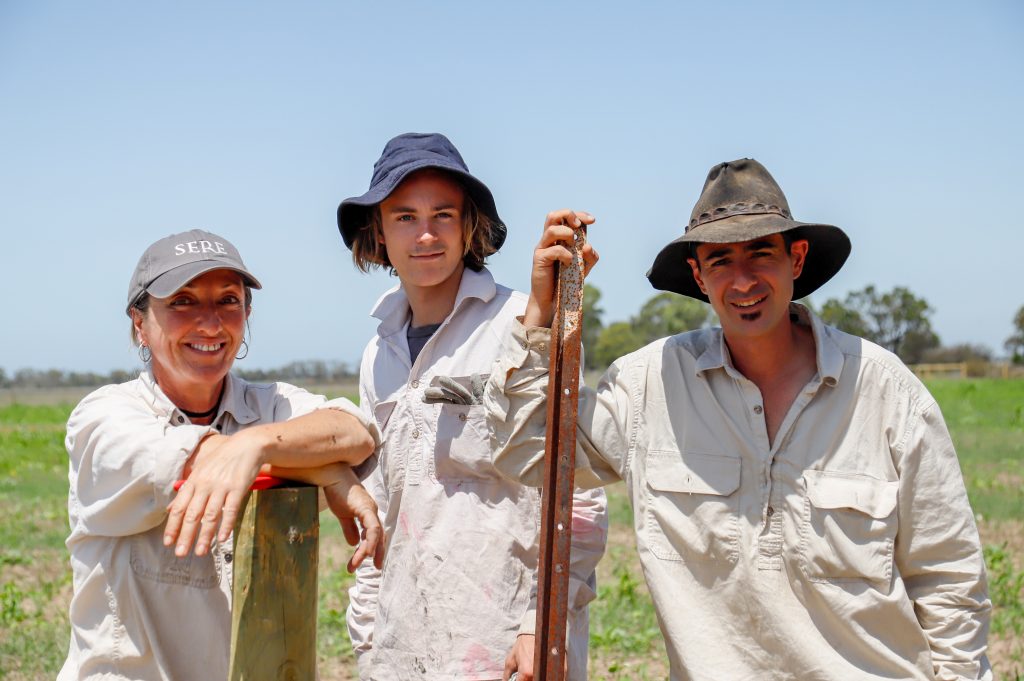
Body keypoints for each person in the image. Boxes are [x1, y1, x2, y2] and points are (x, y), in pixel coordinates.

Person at [485, 159, 992, 680]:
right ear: (700, 277)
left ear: (796, 259)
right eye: (721, 260)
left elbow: (949, 582)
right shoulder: (653, 386)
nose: (744, 280)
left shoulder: (887, 394)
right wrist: (542, 316)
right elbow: (530, 450)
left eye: (761, 253)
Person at [336, 133, 608, 681]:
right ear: (378, 232)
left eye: (443, 215)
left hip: (507, 646)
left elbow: (580, 495)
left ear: (470, 227)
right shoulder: (379, 351)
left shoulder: (526, 320)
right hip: (402, 647)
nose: (426, 235)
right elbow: (388, 502)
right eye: (405, 217)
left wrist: (541, 623)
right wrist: (369, 632)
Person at [60, 229, 384, 681]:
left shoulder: (266, 410)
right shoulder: (104, 417)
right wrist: (327, 472)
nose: (210, 324)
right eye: (182, 302)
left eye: (228, 301)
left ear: (247, 314)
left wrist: (256, 444)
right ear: (140, 323)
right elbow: (198, 455)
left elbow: (353, 431)